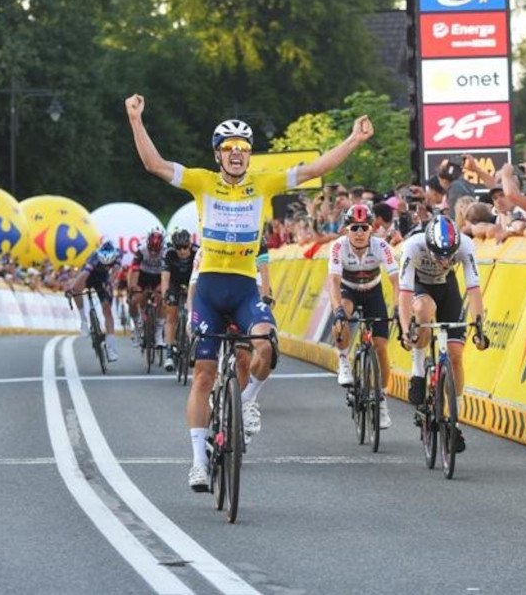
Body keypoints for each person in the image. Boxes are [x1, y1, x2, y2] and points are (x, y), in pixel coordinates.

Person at [126, 94, 374, 492]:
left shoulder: (265, 183)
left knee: (267, 347)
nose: (237, 154)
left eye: (243, 148)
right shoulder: (202, 182)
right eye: (229, 148)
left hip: (243, 287)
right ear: (218, 154)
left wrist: (353, 140)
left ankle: (247, 400)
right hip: (208, 288)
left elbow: (317, 167)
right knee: (204, 376)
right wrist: (136, 119)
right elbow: (154, 165)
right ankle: (198, 463)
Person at [397, 214, 489, 453]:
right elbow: (404, 294)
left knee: (456, 355)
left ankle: (454, 419)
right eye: (440, 255)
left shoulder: (466, 245)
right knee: (425, 311)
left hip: (448, 289)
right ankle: (418, 372)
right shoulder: (413, 246)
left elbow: (474, 290)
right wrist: (407, 329)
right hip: (421, 287)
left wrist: (479, 327)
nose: (446, 260)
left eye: (450, 256)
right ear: (429, 246)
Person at [326, 203, 398, 429]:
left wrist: (397, 309)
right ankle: (343, 360)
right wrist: (337, 310)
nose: (358, 233)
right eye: (354, 228)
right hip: (348, 290)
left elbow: (396, 282)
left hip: (372, 291)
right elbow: (334, 283)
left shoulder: (382, 246)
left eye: (363, 228)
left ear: (371, 229)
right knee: (343, 313)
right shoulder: (338, 247)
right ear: (346, 229)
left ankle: (382, 399)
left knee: (380, 347)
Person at [70, 240, 121, 361]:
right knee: (76, 290)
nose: (106, 266)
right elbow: (82, 276)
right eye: (104, 264)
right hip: (88, 276)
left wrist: (110, 284)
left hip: (102, 280)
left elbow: (115, 273)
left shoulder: (118, 256)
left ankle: (111, 348)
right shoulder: (94, 257)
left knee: (107, 310)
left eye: (108, 264)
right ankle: (83, 321)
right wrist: (73, 289)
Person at [160, 228, 197, 371]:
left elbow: (202, 275)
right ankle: (169, 353)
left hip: (191, 281)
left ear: (190, 244)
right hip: (174, 282)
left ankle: (194, 348)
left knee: (194, 312)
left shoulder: (197, 252)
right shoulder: (169, 253)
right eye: (178, 248)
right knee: (171, 314)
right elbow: (164, 278)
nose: (182, 251)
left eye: (185, 247)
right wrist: (165, 296)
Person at [129, 227, 168, 347]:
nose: (153, 253)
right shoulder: (141, 249)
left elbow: (167, 273)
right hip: (143, 275)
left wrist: (162, 288)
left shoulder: (166, 251)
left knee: (163, 299)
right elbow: (134, 270)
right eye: (151, 249)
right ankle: (137, 327)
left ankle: (158, 333)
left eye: (157, 251)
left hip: (159, 276)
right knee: (134, 301)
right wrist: (134, 286)